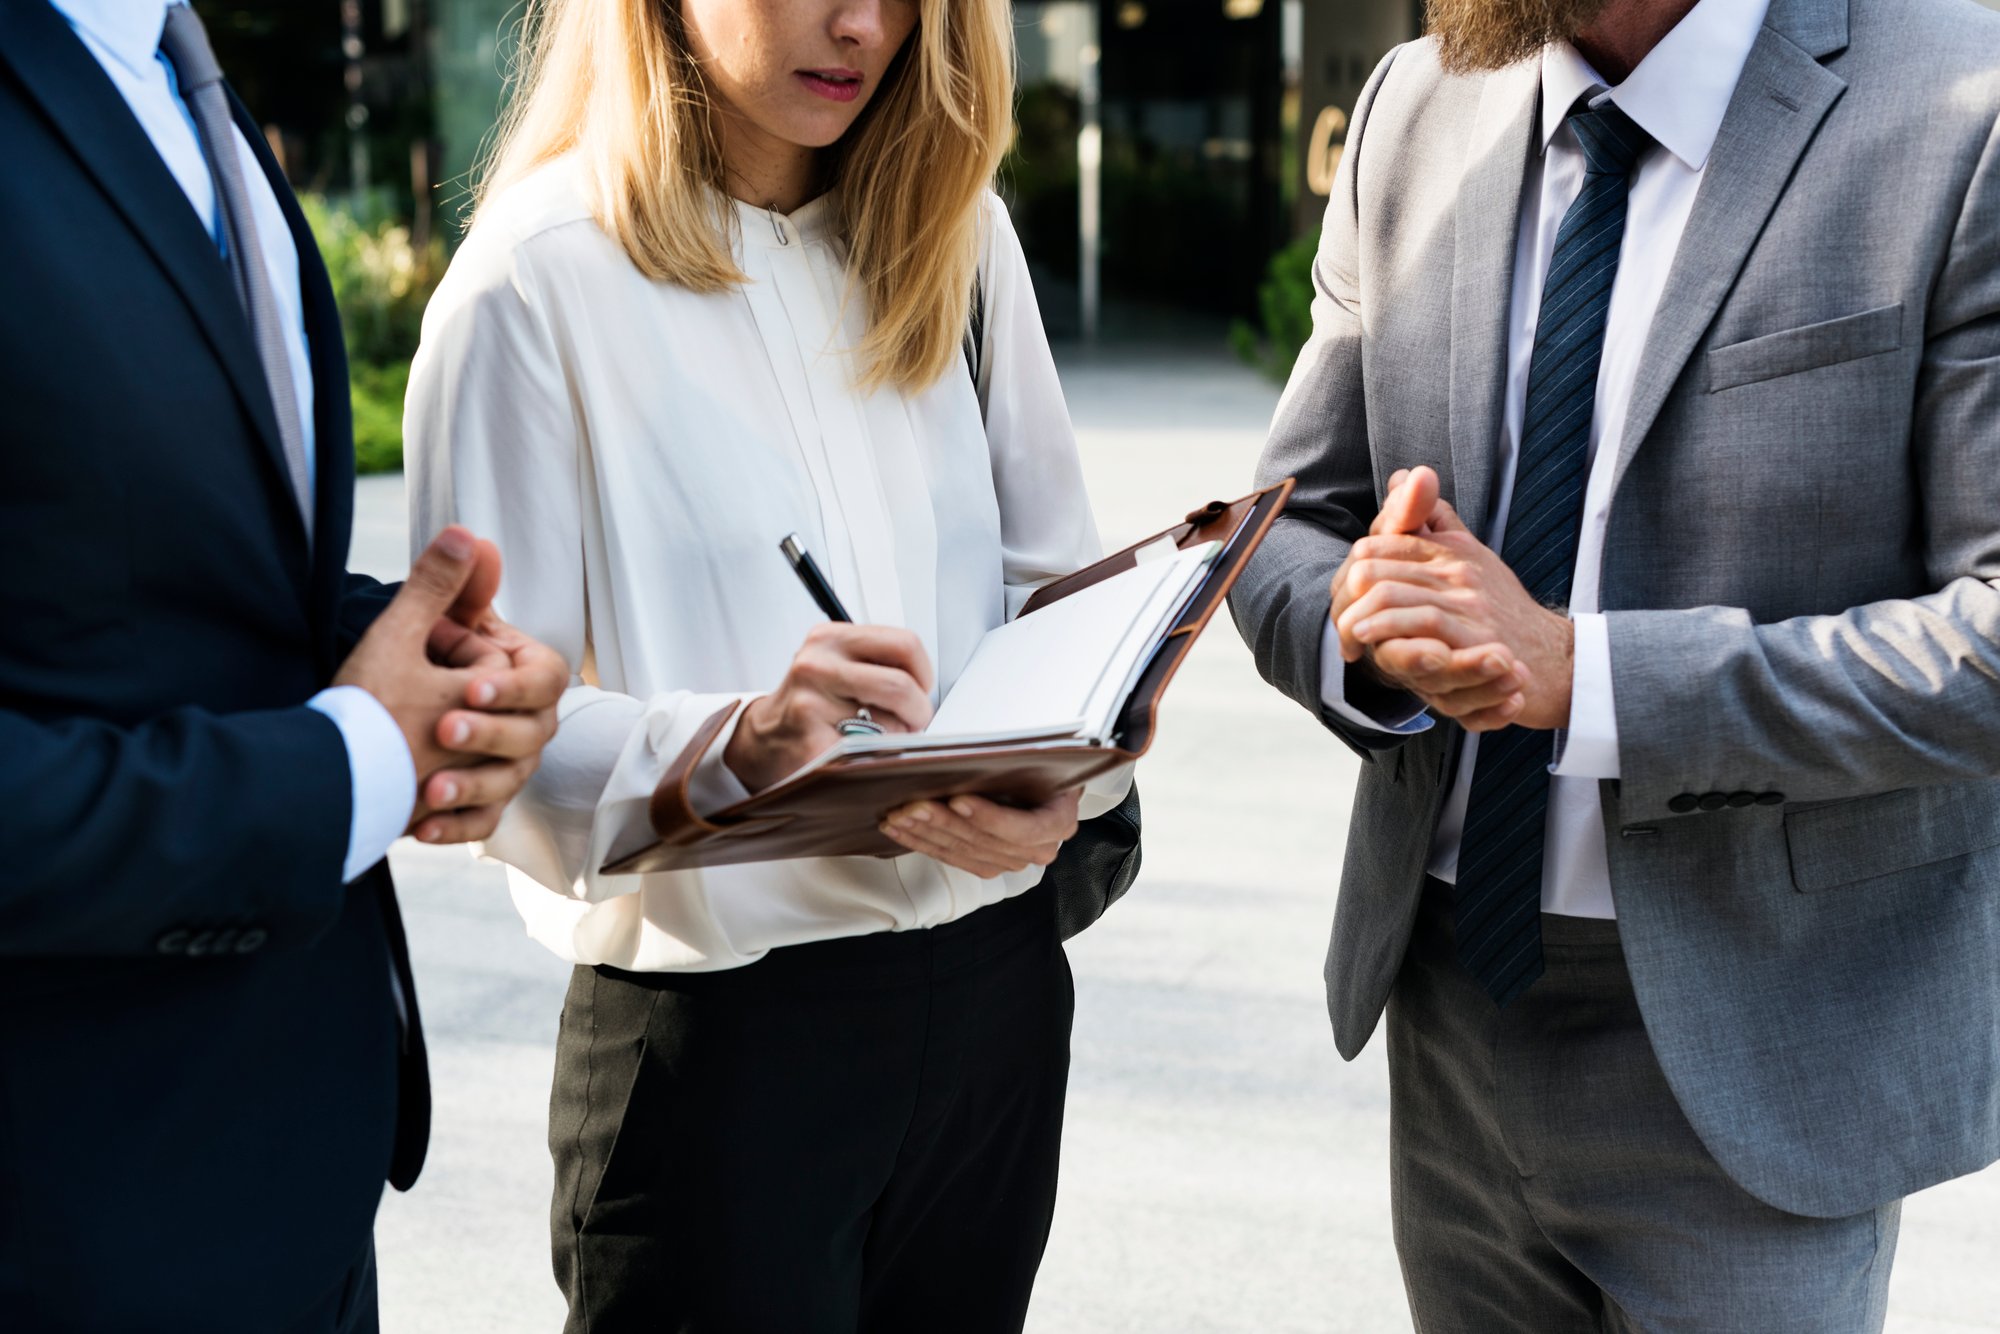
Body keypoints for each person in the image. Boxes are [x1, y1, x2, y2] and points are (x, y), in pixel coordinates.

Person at [1228, 0, 2000, 1326]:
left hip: (1762, 1042)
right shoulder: (1416, 105)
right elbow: (1286, 524)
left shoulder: (1966, 107)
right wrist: (1372, 629)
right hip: (1454, 1017)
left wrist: (1582, 677)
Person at [404, 0, 1129, 1328]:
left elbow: (1056, 590)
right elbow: (480, 736)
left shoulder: (959, 240)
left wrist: (1072, 774)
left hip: (995, 1013)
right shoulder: (533, 280)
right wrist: (738, 745)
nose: (860, 25)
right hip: (722, 1050)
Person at [0, 2, 568, 1329]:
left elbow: (150, 575)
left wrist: (433, 668)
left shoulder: (170, 69)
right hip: (68, 1221)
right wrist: (352, 762)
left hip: (291, 1183)